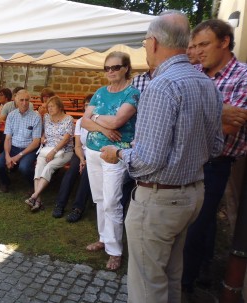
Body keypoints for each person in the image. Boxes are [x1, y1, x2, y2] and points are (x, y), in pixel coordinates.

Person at [100, 11, 223, 302]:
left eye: (144, 44)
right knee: (170, 276)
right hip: (193, 194)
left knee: (147, 286)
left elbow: (149, 160)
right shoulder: (207, 83)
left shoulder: (161, 85)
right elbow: (216, 147)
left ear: (154, 42)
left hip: (160, 201)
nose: (145, 49)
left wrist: (117, 152)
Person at [182, 18, 247, 295]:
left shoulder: (243, 75)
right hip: (186, 160)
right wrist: (218, 111)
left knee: (195, 227)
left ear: (224, 42)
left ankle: (182, 288)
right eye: (194, 46)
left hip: (214, 164)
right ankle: (195, 271)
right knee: (187, 223)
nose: (197, 51)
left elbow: (231, 127)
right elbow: (178, 114)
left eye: (204, 44)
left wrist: (193, 118)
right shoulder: (194, 72)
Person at [80, 51, 139, 271]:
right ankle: (104, 238)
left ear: (125, 68)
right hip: (93, 151)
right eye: (107, 68)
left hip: (115, 154)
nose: (111, 72)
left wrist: (96, 119)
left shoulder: (132, 94)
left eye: (115, 67)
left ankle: (115, 250)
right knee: (99, 199)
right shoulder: (99, 92)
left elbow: (117, 121)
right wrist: (101, 124)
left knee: (112, 201)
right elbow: (84, 122)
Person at [51, 96, 95, 222]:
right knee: (70, 173)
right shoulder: (81, 122)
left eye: (91, 105)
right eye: (86, 105)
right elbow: (77, 145)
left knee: (87, 174)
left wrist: (86, 161)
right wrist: (81, 159)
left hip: (94, 154)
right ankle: (60, 204)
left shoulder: (100, 121)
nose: (88, 108)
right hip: (80, 152)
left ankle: (78, 208)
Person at [26, 96, 74, 211]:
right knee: (38, 167)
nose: (49, 109)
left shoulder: (69, 119)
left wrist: (54, 151)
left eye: (52, 106)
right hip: (46, 150)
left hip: (64, 151)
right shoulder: (46, 117)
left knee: (49, 167)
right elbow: (44, 131)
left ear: (60, 107)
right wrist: (42, 137)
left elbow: (66, 139)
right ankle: (37, 201)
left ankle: (34, 196)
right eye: (48, 107)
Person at [0, 89, 42, 193]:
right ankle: (5, 183)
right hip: (13, 148)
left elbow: (36, 142)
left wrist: (18, 156)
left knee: (24, 167)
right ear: (15, 101)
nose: (24, 103)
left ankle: (32, 185)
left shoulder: (36, 117)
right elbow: (8, 138)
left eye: (27, 100)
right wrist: (7, 155)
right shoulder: (11, 115)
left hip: (29, 149)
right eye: (21, 100)